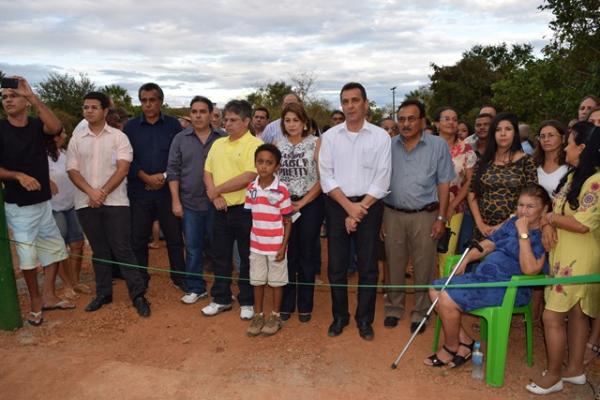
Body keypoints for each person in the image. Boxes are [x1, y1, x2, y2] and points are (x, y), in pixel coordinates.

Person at [425, 184, 549, 367]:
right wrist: (467, 259)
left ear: (544, 209)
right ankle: (465, 342)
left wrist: (523, 234)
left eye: (530, 206)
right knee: (435, 289)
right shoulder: (510, 224)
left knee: (445, 296)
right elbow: (490, 244)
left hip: (508, 288)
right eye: (520, 205)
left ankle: (451, 347)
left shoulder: (542, 236)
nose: (523, 211)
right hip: (484, 279)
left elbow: (530, 269)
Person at [527, 122, 600, 395]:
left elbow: (582, 223)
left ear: (582, 148)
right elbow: (555, 209)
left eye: (569, 143)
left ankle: (554, 375)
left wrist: (549, 219)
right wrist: (548, 224)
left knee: (551, 317)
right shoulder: (573, 177)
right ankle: (575, 370)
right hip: (564, 255)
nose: (566, 148)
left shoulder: (596, 181)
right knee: (576, 315)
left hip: (579, 259)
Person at [67, 91, 150, 317]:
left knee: (122, 248)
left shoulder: (118, 137)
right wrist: (91, 193)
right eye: (86, 107)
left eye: (94, 107)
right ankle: (103, 293)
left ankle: (138, 294)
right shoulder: (77, 138)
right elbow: (72, 170)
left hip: (115, 202)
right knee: (99, 250)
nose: (89, 111)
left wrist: (101, 192)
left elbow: (123, 168)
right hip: (85, 202)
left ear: (105, 111)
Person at [319, 82, 391, 340]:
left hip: (370, 206)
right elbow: (326, 177)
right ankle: (339, 317)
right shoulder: (329, 137)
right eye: (345, 101)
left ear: (365, 103)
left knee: (368, 266)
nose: (350, 106)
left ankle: (364, 320)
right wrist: (349, 208)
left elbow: (383, 179)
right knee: (336, 267)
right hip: (338, 206)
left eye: (355, 100)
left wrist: (359, 209)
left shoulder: (381, 136)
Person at [0, 76, 72, 326]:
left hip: (43, 203)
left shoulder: (34, 125)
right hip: (19, 207)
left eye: (13, 96)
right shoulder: (0, 129)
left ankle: (49, 296)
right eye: (4, 97)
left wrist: (33, 96)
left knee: (53, 250)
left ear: (26, 102)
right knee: (28, 257)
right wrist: (17, 175)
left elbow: (55, 127)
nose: (7, 100)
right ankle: (35, 300)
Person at [382, 101, 454, 333]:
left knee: (424, 265)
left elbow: (444, 183)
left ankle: (421, 312)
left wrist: (441, 218)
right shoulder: (388, 146)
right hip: (392, 213)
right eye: (401, 119)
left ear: (422, 121)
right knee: (394, 263)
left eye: (411, 118)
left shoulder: (438, 145)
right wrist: (381, 219)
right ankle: (394, 308)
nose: (406, 123)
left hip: (426, 214)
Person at [202, 99, 262, 319]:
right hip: (219, 209)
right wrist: (214, 194)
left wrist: (216, 191)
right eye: (226, 119)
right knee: (220, 255)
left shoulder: (254, 145)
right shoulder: (218, 143)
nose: (227, 123)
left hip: (245, 210)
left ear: (246, 121)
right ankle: (221, 298)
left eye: (233, 120)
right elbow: (207, 171)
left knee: (247, 257)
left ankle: (247, 301)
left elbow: (249, 175)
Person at [123, 83, 186, 292]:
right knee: (138, 239)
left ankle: (179, 278)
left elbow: (178, 156)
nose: (148, 104)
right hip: (139, 192)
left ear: (160, 101)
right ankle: (141, 278)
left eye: (152, 100)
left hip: (168, 192)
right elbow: (126, 159)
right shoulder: (130, 127)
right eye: (143, 100)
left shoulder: (173, 126)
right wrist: (144, 177)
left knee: (175, 238)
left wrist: (165, 176)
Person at [167, 96, 224, 304]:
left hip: (218, 203)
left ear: (211, 114)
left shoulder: (223, 138)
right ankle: (195, 287)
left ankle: (222, 289)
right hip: (189, 203)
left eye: (202, 111)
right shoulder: (180, 139)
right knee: (192, 248)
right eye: (194, 111)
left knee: (219, 249)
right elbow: (172, 172)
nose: (198, 115)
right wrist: (175, 201)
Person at [276, 102, 323, 323]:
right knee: (287, 254)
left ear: (304, 123)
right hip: (284, 206)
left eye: (296, 120)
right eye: (287, 120)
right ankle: (286, 304)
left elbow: (323, 179)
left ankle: (305, 305)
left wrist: (302, 202)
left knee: (306, 255)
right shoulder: (278, 143)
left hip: (310, 204)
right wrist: (284, 203)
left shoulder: (316, 143)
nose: (292, 124)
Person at [244, 144, 293, 336]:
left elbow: (288, 221)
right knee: (257, 281)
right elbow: (251, 216)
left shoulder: (282, 189)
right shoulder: (251, 188)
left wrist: (283, 246)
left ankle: (275, 315)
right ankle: (258, 315)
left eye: (269, 163)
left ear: (277, 166)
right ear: (255, 163)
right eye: (260, 162)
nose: (264, 166)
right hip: (256, 245)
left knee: (276, 282)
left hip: (275, 246)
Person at [468, 113, 538, 240]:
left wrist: (502, 225)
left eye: (508, 129)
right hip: (483, 231)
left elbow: (531, 199)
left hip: (513, 230)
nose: (503, 133)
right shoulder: (483, 161)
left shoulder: (526, 161)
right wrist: (480, 224)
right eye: (498, 130)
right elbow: (472, 192)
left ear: (515, 133)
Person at [45, 130, 89, 299]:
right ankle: (67, 285)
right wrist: (46, 181)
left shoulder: (66, 153)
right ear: (53, 136)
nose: (65, 135)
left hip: (72, 204)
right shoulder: (40, 156)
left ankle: (75, 282)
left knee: (77, 243)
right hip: (54, 207)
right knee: (60, 247)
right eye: (62, 133)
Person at [434, 107, 476, 269]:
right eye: (446, 118)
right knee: (424, 256)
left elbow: (469, 181)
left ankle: (441, 293)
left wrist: (452, 205)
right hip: (426, 208)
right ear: (437, 123)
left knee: (446, 253)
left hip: (454, 209)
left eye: (454, 119)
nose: (451, 122)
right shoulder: (427, 146)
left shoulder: (467, 149)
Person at [533, 120, 569, 198]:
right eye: (542, 136)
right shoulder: (532, 164)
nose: (546, 140)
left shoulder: (570, 166)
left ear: (563, 139)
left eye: (551, 135)